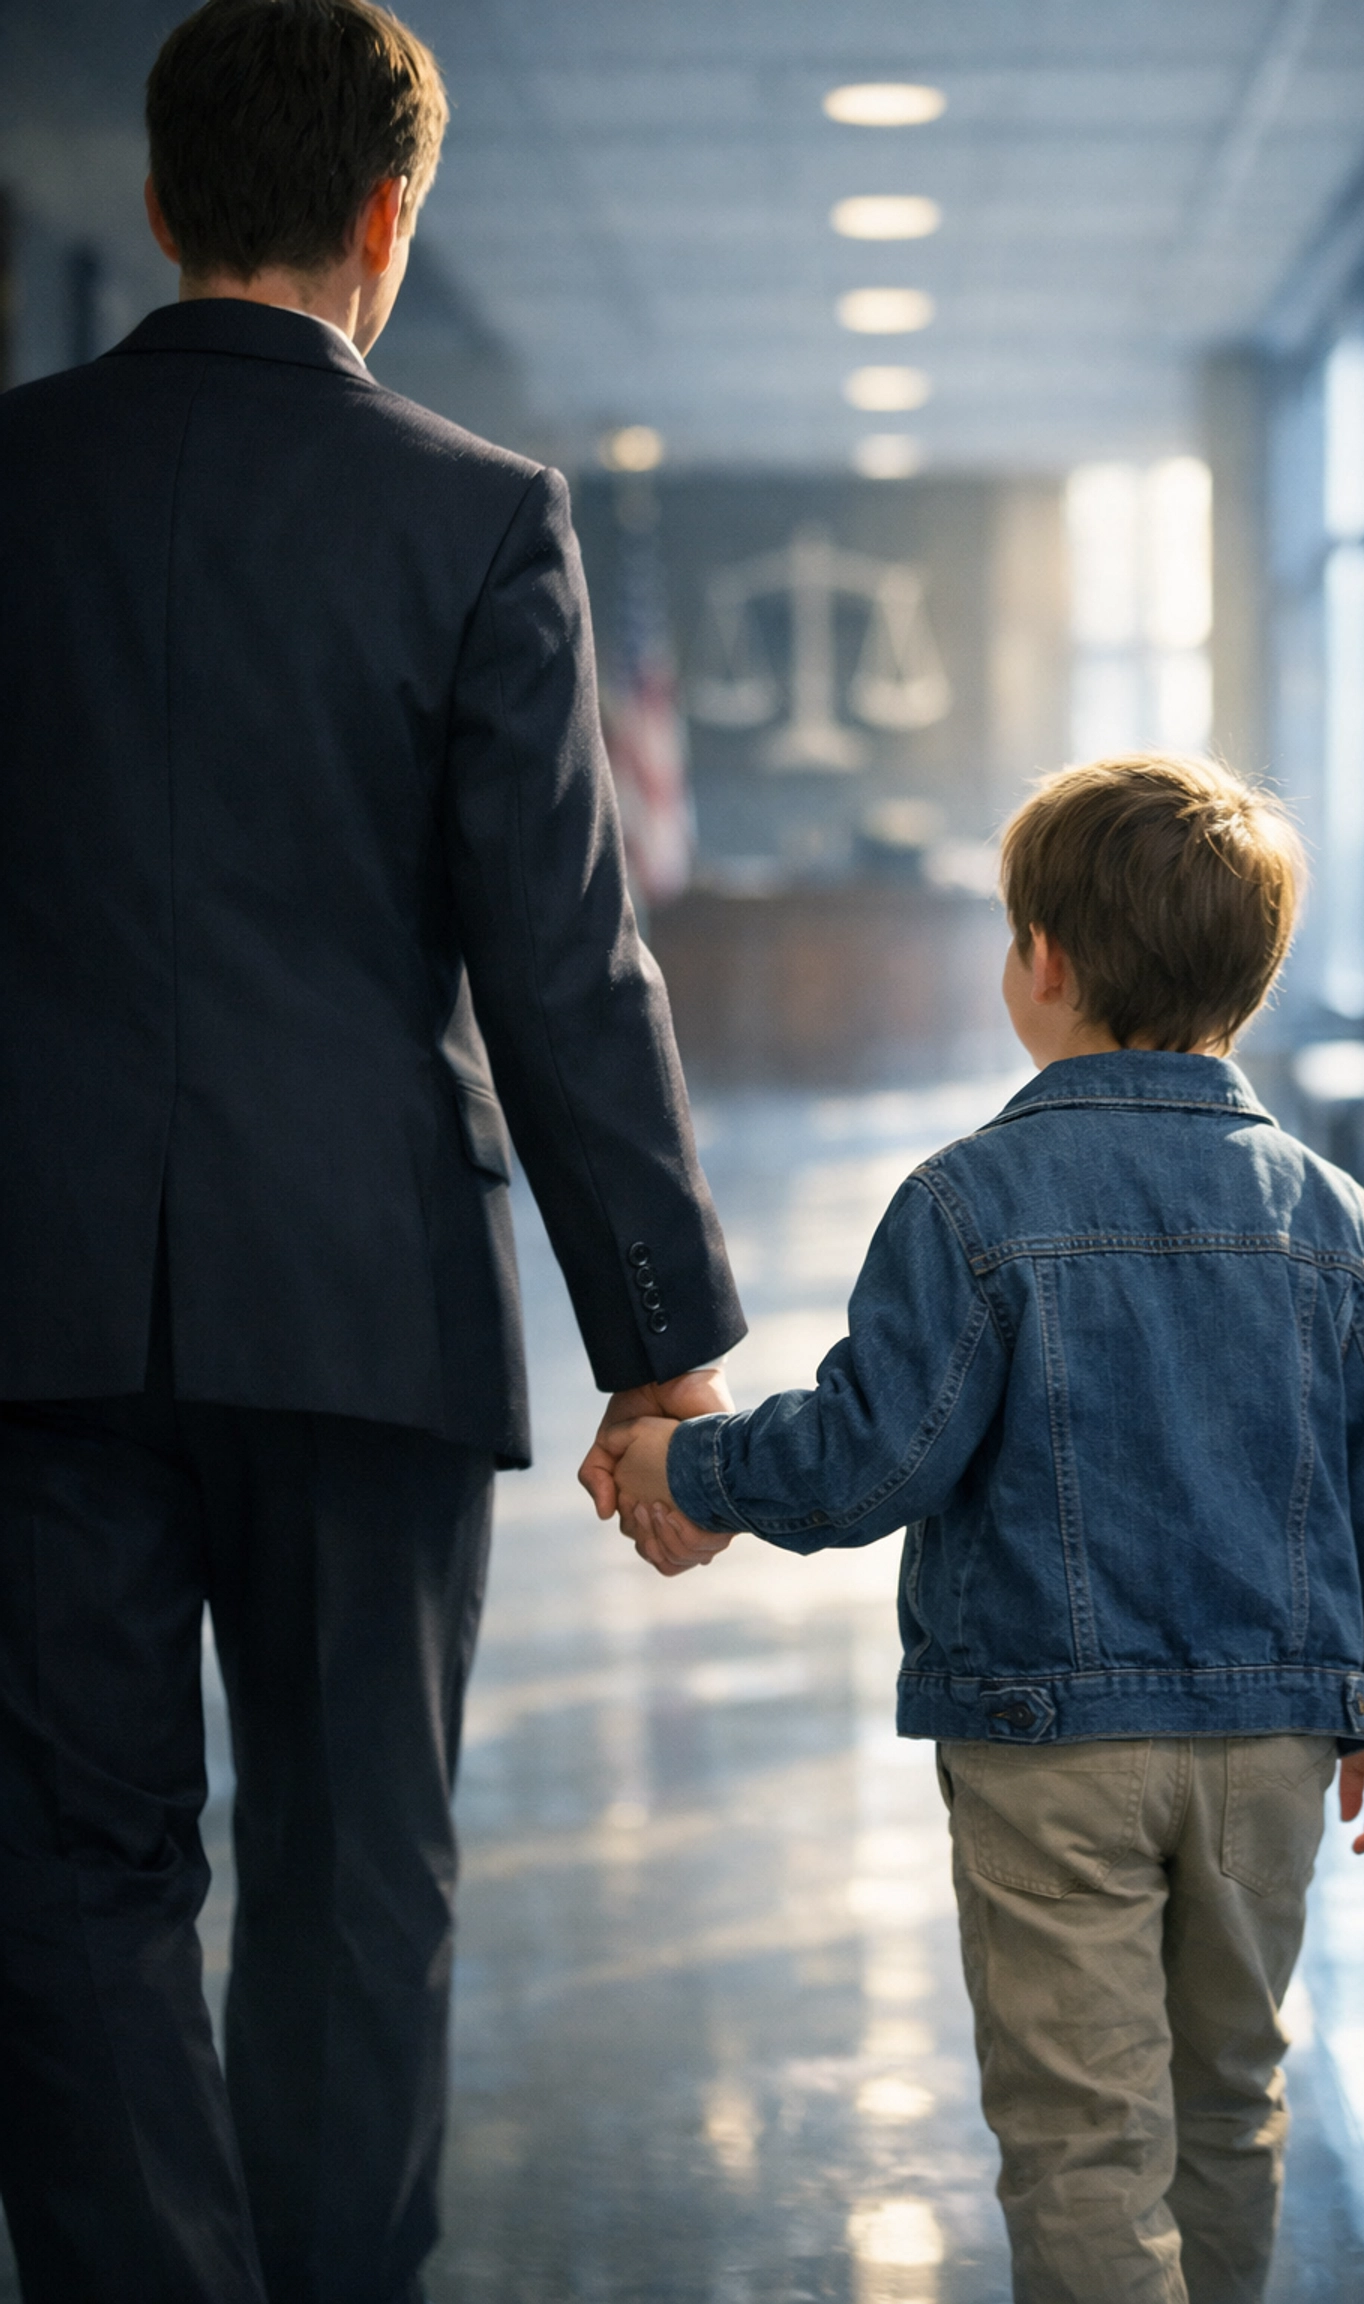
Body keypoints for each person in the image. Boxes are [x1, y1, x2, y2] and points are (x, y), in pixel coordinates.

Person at [0, 2, 744, 2298]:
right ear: (387, 218)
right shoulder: (474, 518)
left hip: (27, 1302)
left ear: (155, 204)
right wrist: (665, 1350)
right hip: (361, 1302)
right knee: (354, 1873)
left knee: (63, 1871)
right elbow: (562, 963)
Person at [602, 753, 1364, 2304]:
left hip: (1047, 1740)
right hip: (1277, 1743)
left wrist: (693, 1468)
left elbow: (876, 1461)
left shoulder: (971, 1202)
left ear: (1043, 963)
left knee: (1081, 2138)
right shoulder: (1335, 1216)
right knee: (1230, 2101)